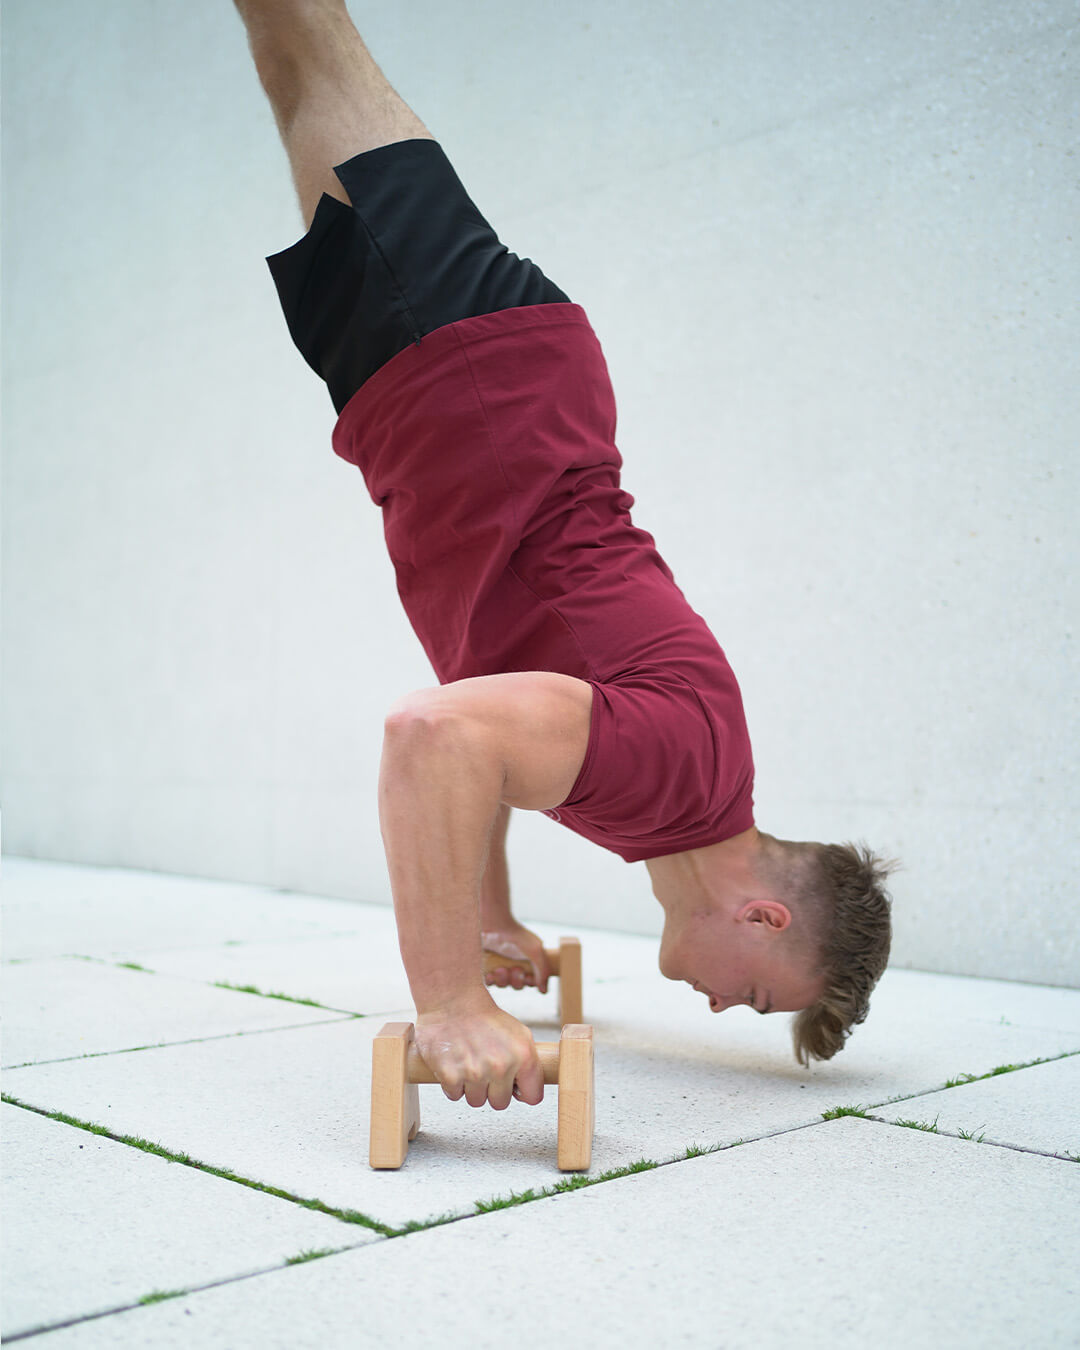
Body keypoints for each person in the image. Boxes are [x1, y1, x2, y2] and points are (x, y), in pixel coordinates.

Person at [233, 0, 894, 1113]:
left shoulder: (666, 809)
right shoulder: (677, 778)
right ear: (764, 919)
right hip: (478, 378)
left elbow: (488, 737)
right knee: (315, 43)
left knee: (290, 64)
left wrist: (485, 916)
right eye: (759, 999)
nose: (727, 1010)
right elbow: (434, 734)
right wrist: (450, 999)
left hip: (434, 403)